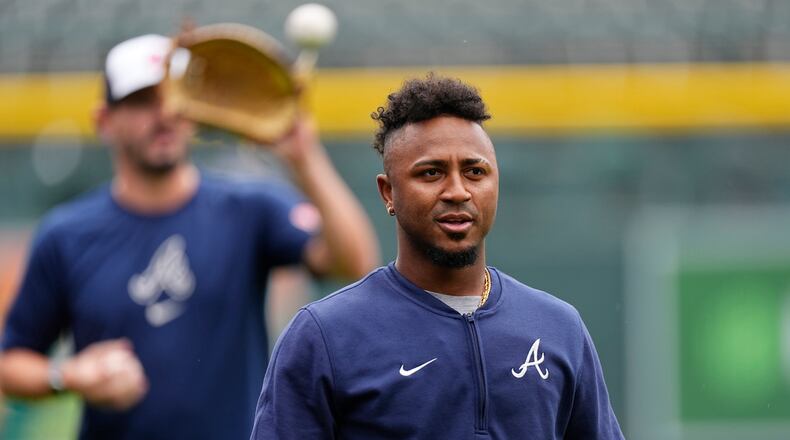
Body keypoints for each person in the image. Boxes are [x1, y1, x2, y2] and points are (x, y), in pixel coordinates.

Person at [0, 34, 379, 439]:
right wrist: (70, 375)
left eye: (176, 97)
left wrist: (304, 156)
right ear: (104, 121)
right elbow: (11, 364)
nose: (164, 114)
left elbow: (352, 262)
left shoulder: (248, 208)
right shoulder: (67, 234)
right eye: (143, 101)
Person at [250, 74, 624, 439]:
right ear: (388, 193)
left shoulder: (558, 327)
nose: (458, 191)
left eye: (475, 171)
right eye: (431, 173)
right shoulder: (324, 335)